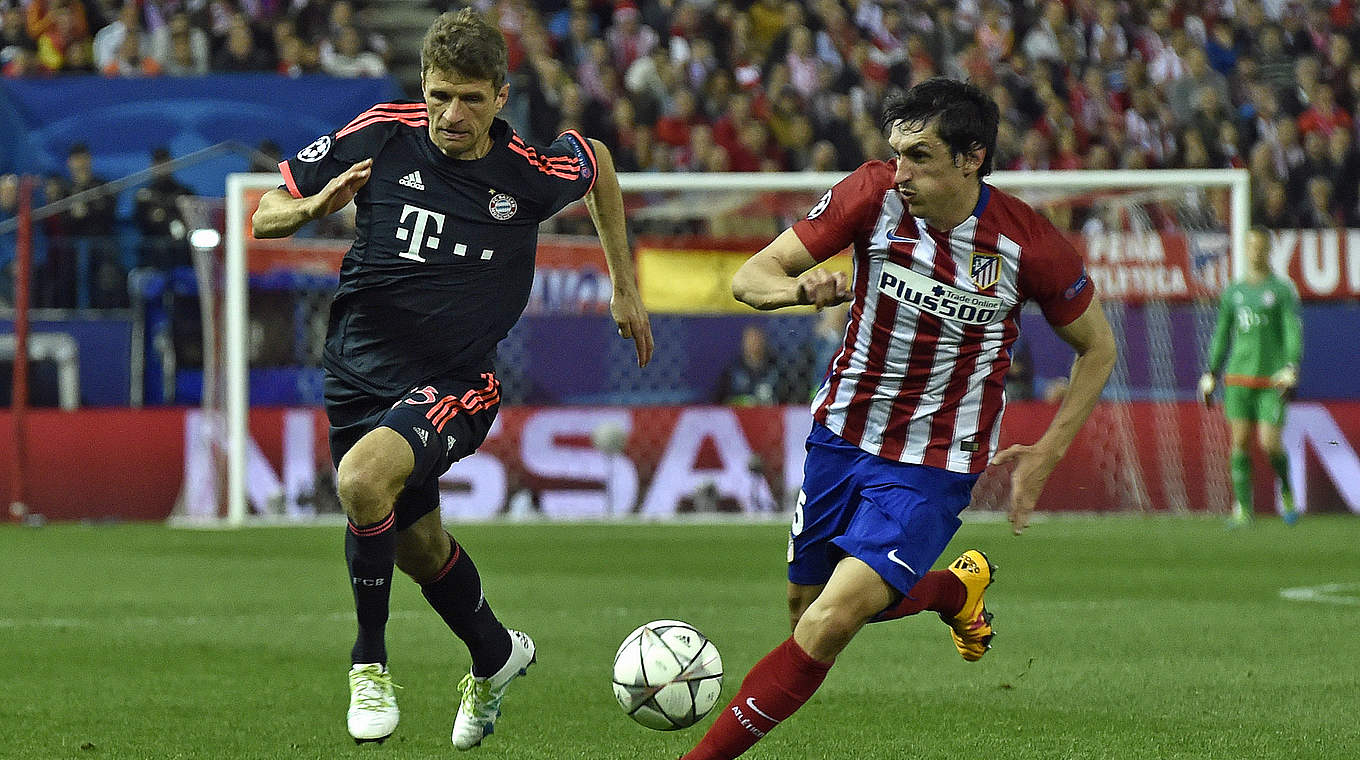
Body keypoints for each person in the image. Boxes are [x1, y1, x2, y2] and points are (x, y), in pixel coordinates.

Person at [678, 77, 1116, 760]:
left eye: (919, 157)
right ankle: (951, 590)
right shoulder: (871, 196)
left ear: (971, 157)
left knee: (828, 622)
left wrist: (1049, 450)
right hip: (841, 436)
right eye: (896, 153)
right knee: (805, 611)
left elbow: (1098, 346)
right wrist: (798, 290)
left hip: (935, 463)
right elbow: (749, 277)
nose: (899, 172)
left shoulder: (1028, 245)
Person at [251, 9, 653, 750]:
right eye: (439, 96)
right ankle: (496, 656)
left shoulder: (526, 174)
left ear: (502, 96)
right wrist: (310, 205)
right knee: (417, 545)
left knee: (363, 482)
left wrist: (624, 286)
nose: (450, 114)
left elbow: (595, 158)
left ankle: (368, 664)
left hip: (456, 380)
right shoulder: (381, 131)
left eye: (469, 98)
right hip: (357, 374)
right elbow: (264, 215)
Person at [1199, 227, 1302, 527]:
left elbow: (1291, 331)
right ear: (1245, 249)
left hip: (1272, 379)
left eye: (1261, 247)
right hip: (1238, 378)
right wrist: (1211, 370)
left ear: (1269, 250)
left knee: (1270, 443)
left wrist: (1292, 365)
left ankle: (1286, 489)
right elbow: (1221, 334)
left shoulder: (1282, 290)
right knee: (1240, 441)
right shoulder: (1234, 292)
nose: (1256, 251)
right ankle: (1244, 509)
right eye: (1252, 246)